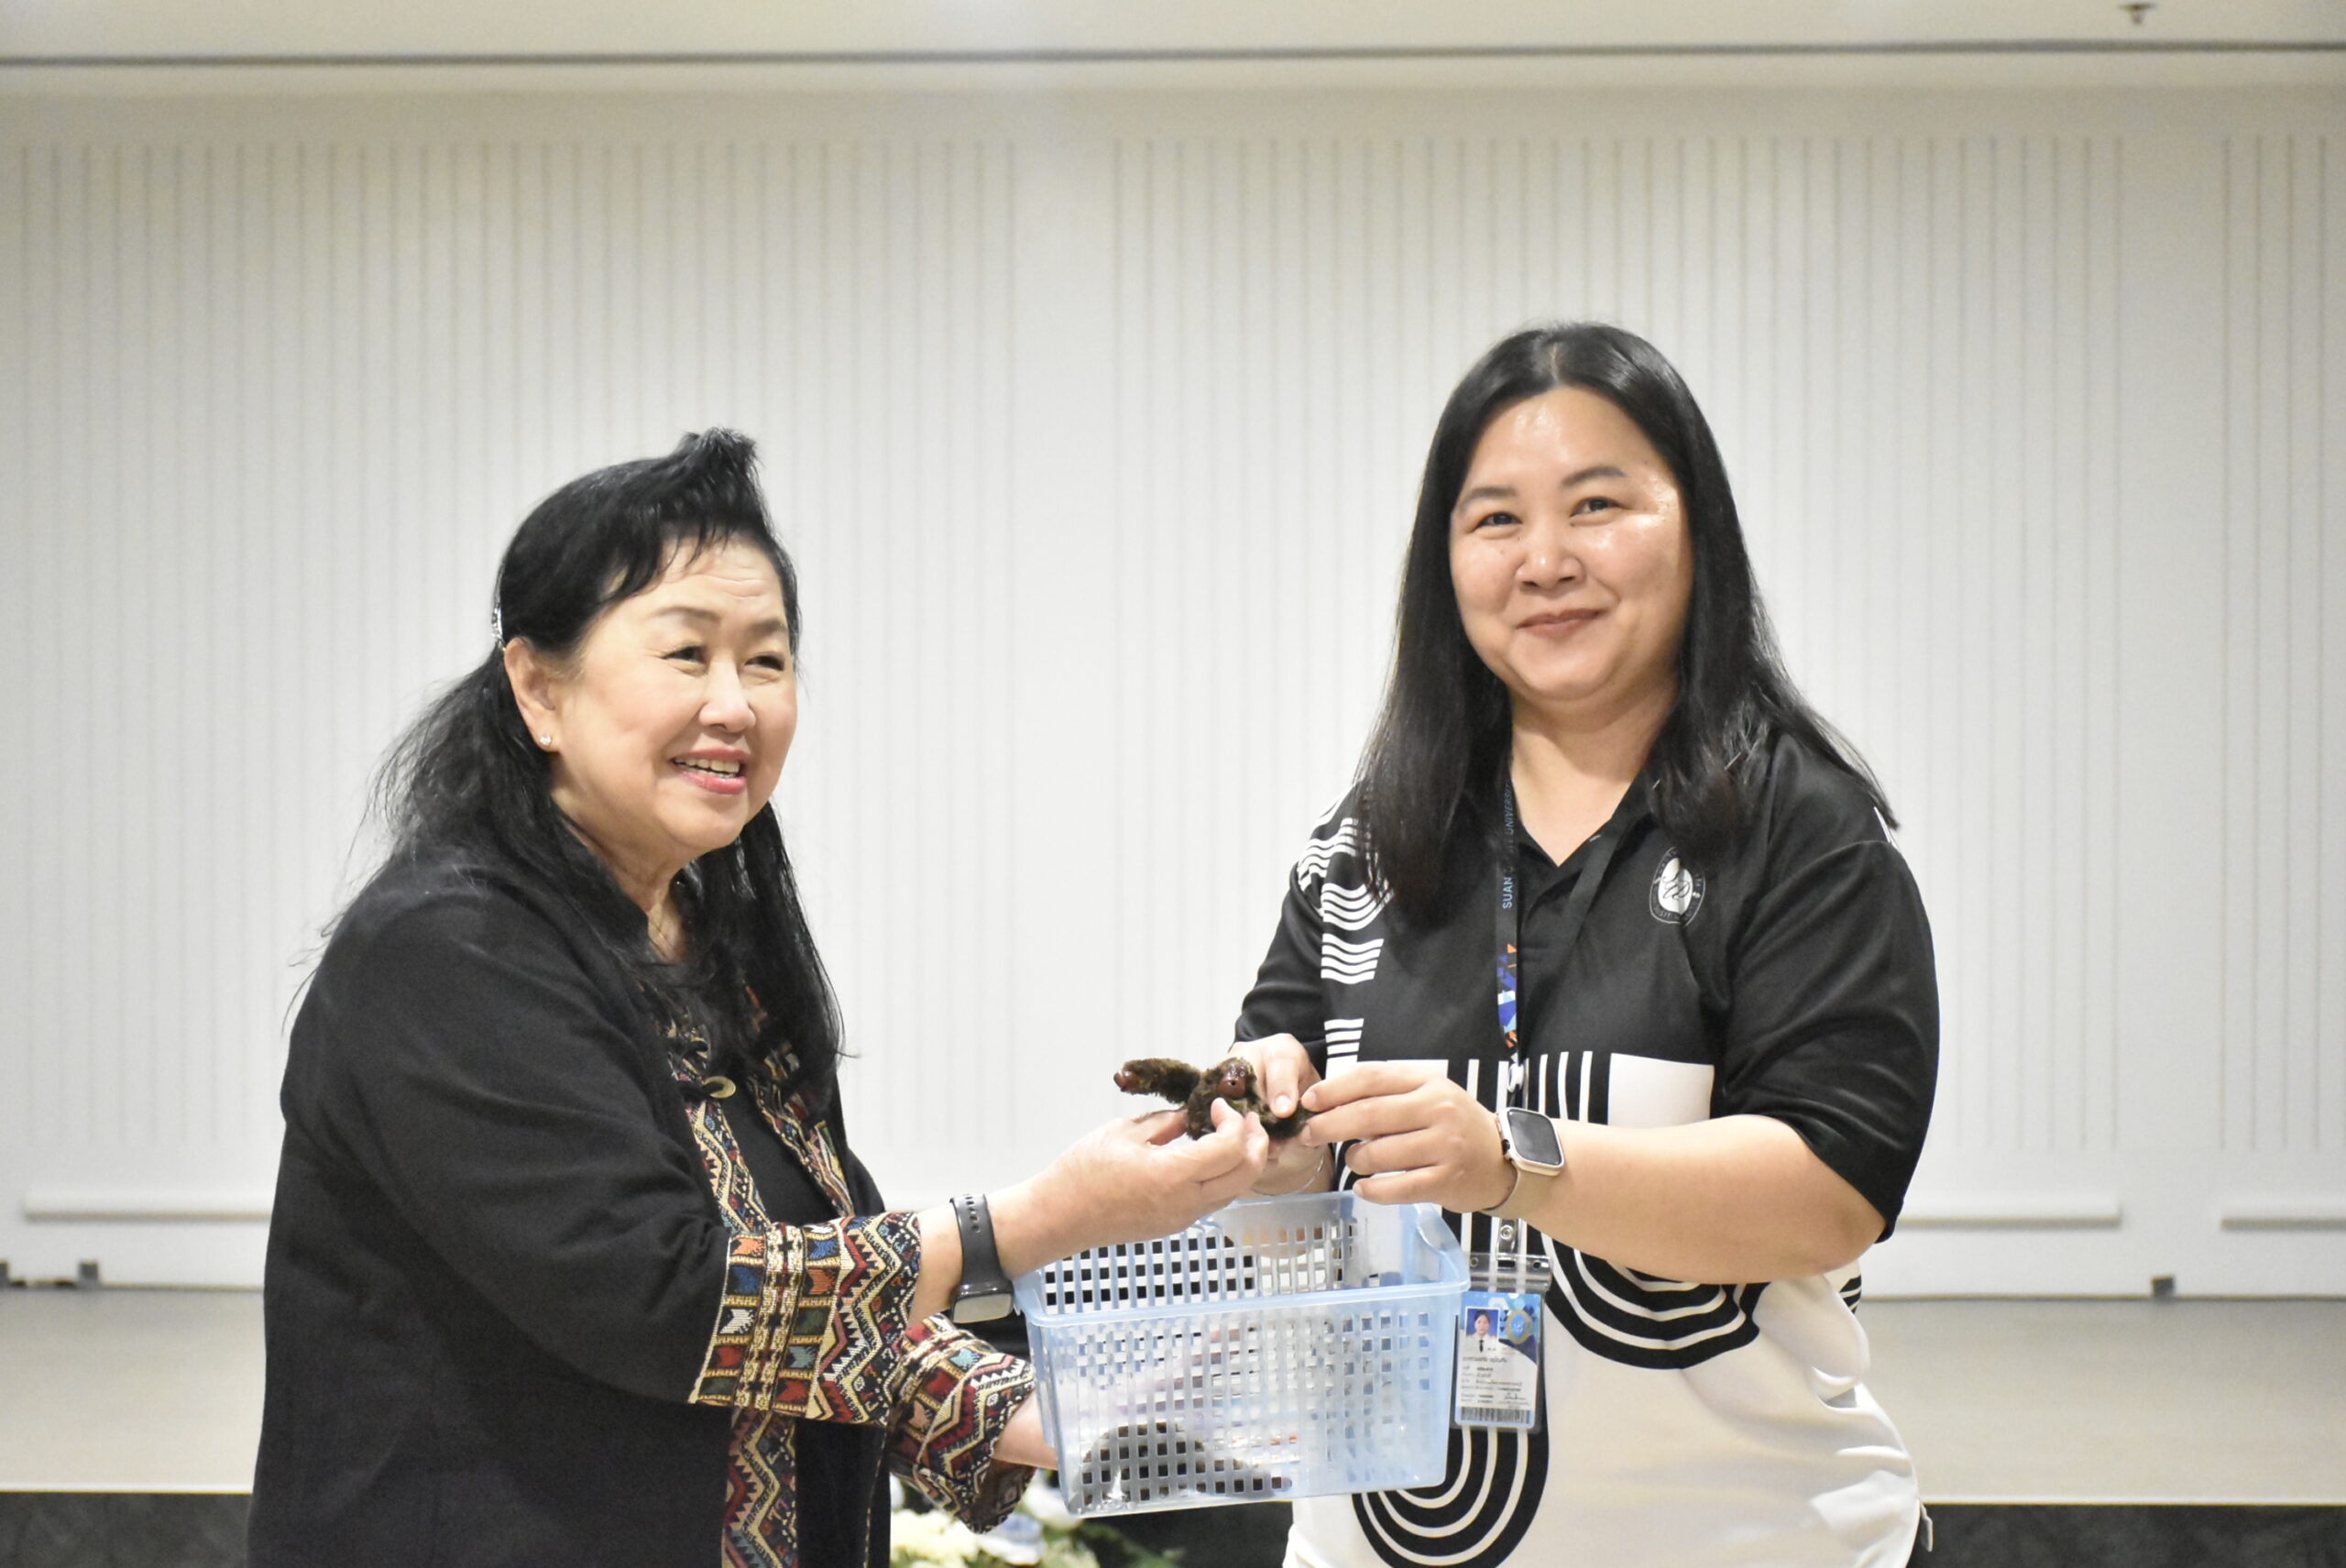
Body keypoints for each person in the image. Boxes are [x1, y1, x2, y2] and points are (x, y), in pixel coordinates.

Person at [247, 431, 1269, 1567]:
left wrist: (1078, 1411)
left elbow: (808, 1284)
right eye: (686, 654)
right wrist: (1041, 1219)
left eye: (768, 661)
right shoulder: (446, 952)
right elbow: (666, 1300)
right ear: (538, 687)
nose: (734, 705)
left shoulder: (717, 944)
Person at [1233, 323, 1937, 1568]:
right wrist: (1262, 1142)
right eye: (1496, 519)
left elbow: (1829, 1194)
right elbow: (1279, 1202)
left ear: (1695, 527)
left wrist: (1514, 1162)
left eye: (1598, 505)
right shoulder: (1365, 847)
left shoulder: (1801, 830)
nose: (1546, 559)